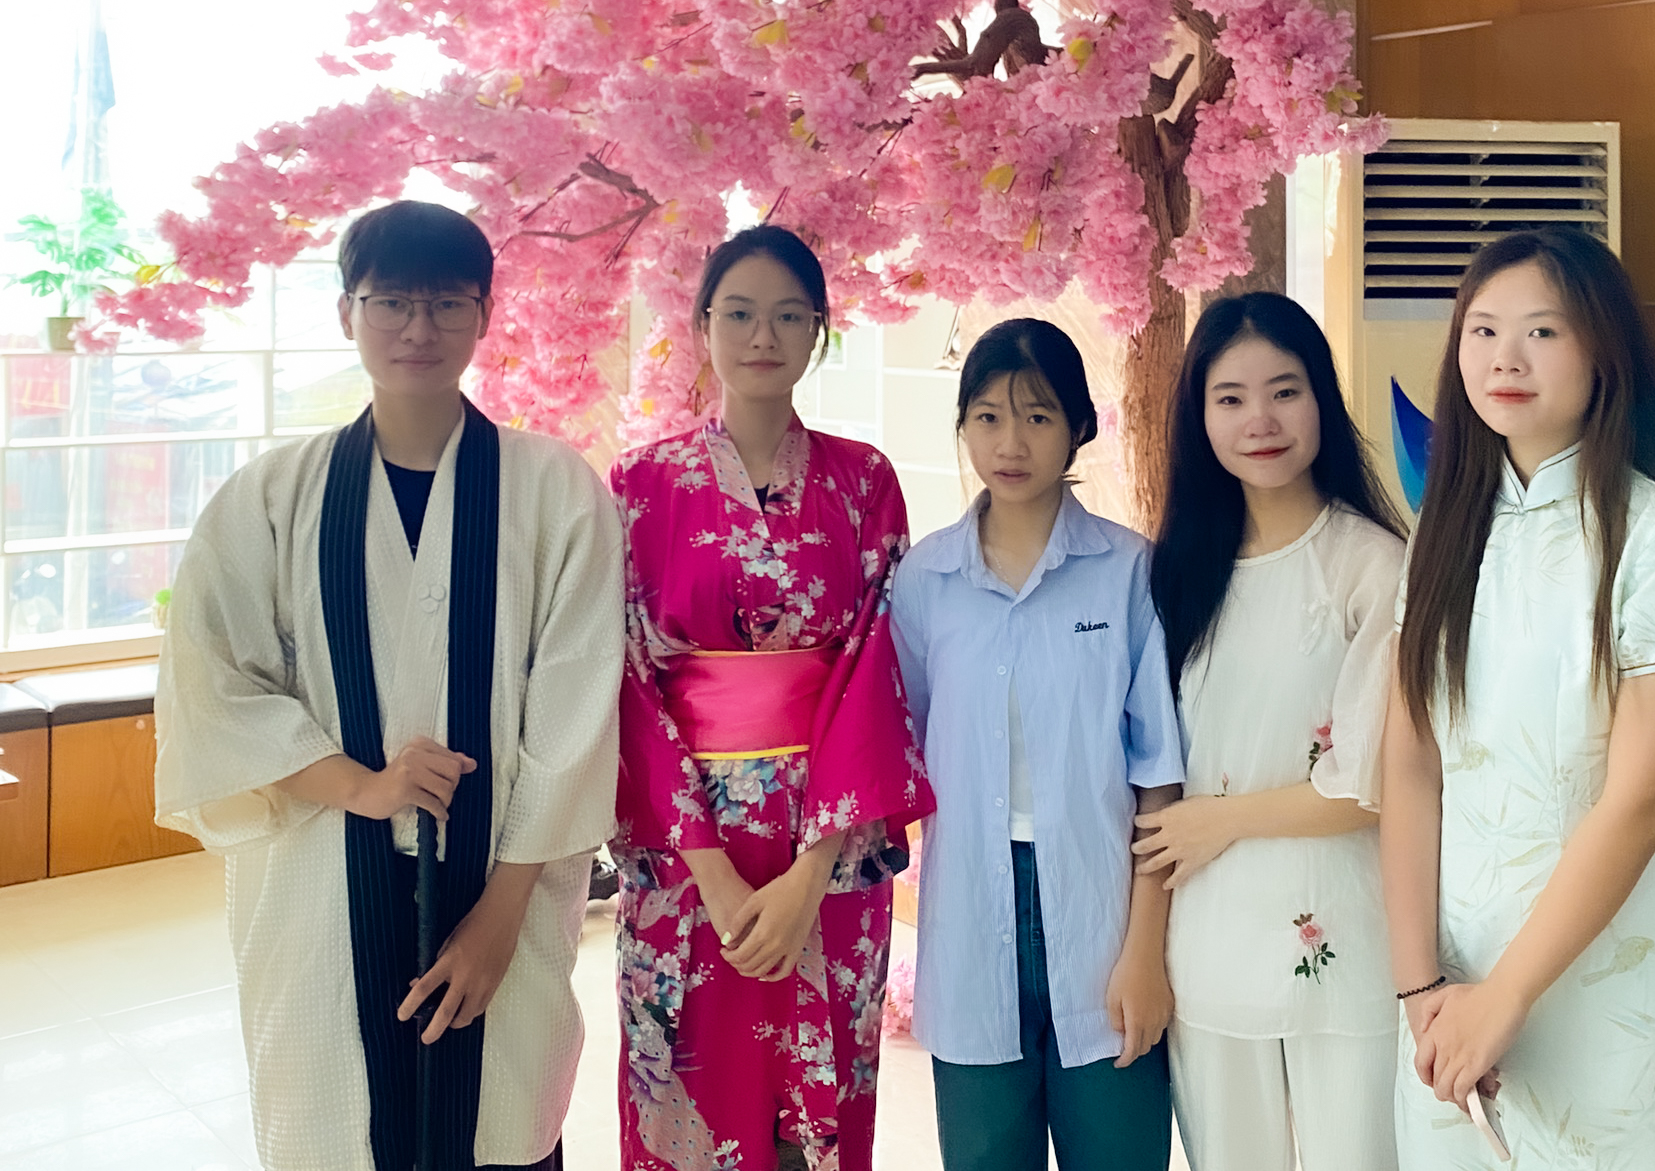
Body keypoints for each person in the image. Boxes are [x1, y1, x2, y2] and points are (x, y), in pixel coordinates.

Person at [154, 199, 625, 1171]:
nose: (418, 327)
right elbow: (211, 686)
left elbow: (575, 714)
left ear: (484, 315)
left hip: (507, 883)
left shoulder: (555, 491)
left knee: (499, 1119)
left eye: (447, 302)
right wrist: (360, 784)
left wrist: (500, 916)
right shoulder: (270, 498)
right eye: (391, 301)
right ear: (347, 312)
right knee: (339, 1127)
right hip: (322, 884)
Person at [1381, 226, 1655, 1168]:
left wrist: (1507, 997)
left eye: (1542, 331)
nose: (1506, 357)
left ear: (1603, 352)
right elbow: (1411, 767)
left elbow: (1644, 798)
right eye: (1484, 330)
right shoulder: (1445, 532)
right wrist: (1420, 989)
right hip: (1449, 1007)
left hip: (1607, 1001)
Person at [610, 223, 932, 1171]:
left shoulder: (864, 480)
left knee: (817, 1109)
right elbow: (626, 679)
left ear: (819, 331)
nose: (763, 335)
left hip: (826, 846)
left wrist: (813, 868)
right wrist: (711, 872)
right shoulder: (638, 485)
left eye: (791, 316)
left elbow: (877, 667)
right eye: (741, 313)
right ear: (702, 324)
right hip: (686, 853)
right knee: (689, 1094)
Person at [891, 318, 1186, 1171]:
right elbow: (905, 747)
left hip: (1103, 916)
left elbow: (1159, 779)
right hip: (971, 919)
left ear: (1078, 426)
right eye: (987, 417)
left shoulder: (1128, 572)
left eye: (1037, 415)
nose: (1010, 442)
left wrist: (1143, 951)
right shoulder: (926, 579)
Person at [1134, 292, 1406, 1170]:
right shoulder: (1172, 575)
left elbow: (1379, 780)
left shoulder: (1372, 566)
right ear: (1199, 417)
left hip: (1347, 943)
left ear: (1323, 399)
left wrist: (1219, 819)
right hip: (1208, 946)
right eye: (1231, 398)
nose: (1260, 420)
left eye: (1285, 391)